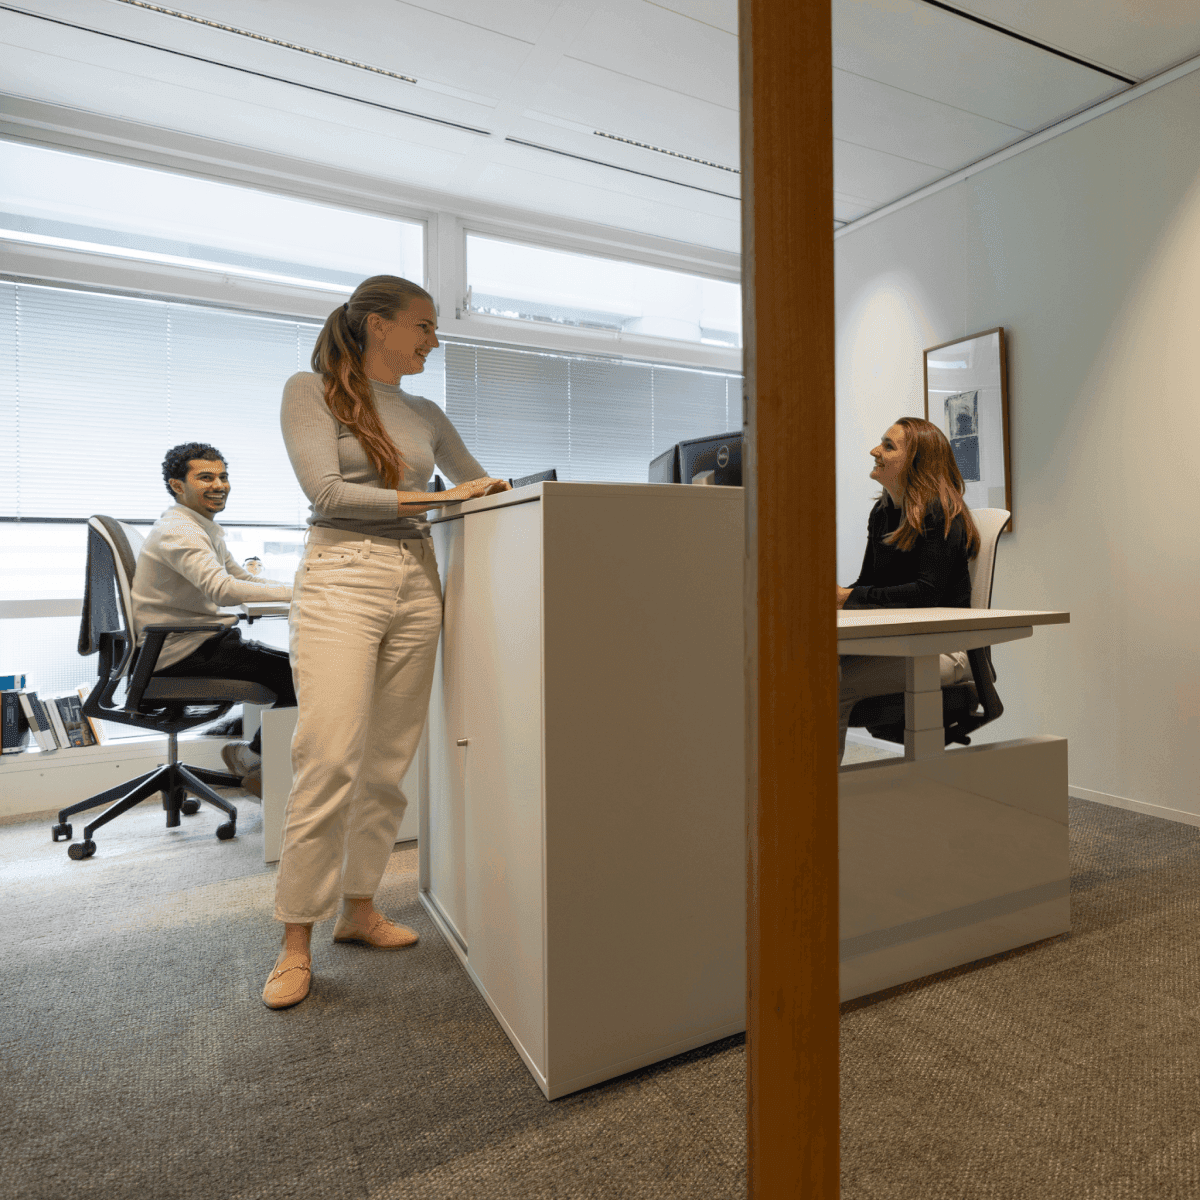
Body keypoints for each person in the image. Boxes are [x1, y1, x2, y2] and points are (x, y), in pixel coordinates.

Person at [263, 275, 509, 1010]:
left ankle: (359, 908)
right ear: (377, 324)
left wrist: (503, 495)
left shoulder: (426, 411)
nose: (435, 339)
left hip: (416, 578)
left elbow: (482, 483)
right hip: (342, 573)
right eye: (425, 325)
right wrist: (440, 498)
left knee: (388, 761)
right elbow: (328, 493)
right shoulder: (310, 391)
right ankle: (293, 938)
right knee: (330, 755)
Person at [131, 443, 296, 794]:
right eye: (205, 477)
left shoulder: (198, 525)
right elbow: (222, 590)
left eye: (223, 476)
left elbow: (243, 579)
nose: (219, 485)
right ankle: (253, 759)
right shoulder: (182, 531)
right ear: (178, 485)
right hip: (182, 654)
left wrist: (299, 586)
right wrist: (302, 594)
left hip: (197, 644)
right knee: (304, 677)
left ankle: (253, 757)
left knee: (297, 670)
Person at [836, 417, 981, 762]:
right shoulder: (882, 512)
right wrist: (842, 597)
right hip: (906, 643)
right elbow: (869, 584)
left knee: (830, 687)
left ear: (916, 461)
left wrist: (850, 598)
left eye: (888, 446)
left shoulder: (941, 512)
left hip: (943, 649)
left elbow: (926, 594)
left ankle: (818, 800)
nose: (875, 451)